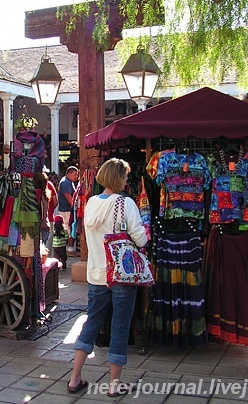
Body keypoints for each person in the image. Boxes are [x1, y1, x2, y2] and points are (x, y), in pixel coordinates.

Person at [67, 158, 147, 397]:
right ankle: (114, 383)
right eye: (124, 176)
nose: (126, 181)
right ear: (118, 177)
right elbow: (140, 238)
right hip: (121, 274)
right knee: (120, 325)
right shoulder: (126, 203)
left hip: (96, 273)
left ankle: (74, 378)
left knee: (91, 321)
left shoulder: (91, 203)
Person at [57, 165, 78, 252]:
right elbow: (68, 196)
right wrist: (75, 206)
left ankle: (70, 248)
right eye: (75, 174)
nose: (76, 177)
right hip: (66, 210)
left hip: (67, 210)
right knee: (68, 228)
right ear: (69, 173)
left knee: (69, 228)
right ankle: (69, 249)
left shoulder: (68, 182)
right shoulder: (65, 182)